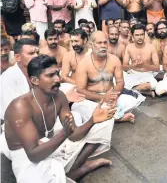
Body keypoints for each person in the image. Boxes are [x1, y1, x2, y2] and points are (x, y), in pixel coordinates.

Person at [4, 54, 115, 182]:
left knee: (105, 123)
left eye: (57, 73)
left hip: (46, 143)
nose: (57, 79)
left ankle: (75, 167)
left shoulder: (59, 96)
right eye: (50, 75)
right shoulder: (20, 107)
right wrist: (63, 134)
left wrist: (92, 121)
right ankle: (80, 169)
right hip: (24, 153)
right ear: (35, 80)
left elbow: (74, 135)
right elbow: (33, 156)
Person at [0, 38, 86, 120]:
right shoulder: (7, 79)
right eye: (31, 53)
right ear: (17, 57)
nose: (36, 56)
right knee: (75, 116)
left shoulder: (37, 70)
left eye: (37, 52)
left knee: (70, 90)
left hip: (43, 113)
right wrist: (63, 99)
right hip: (21, 124)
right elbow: (18, 113)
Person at [74, 31, 146, 123]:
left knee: (130, 100)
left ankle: (107, 117)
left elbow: (120, 82)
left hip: (112, 96)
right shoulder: (83, 64)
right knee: (78, 107)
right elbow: (80, 89)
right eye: (99, 43)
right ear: (91, 44)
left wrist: (114, 97)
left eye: (105, 42)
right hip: (93, 99)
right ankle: (118, 118)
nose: (103, 45)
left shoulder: (114, 60)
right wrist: (103, 98)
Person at [123, 24, 160, 97]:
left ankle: (130, 90)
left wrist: (144, 65)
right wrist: (132, 65)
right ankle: (144, 92)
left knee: (150, 85)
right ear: (132, 36)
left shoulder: (151, 47)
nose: (140, 37)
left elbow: (157, 68)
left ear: (144, 35)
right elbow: (124, 67)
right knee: (118, 78)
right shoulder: (129, 47)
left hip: (147, 75)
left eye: (142, 34)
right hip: (133, 74)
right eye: (137, 35)